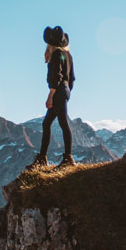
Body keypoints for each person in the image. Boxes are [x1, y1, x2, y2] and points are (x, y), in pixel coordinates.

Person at [28, 25, 76, 169]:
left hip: (58, 91)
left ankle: (67, 158)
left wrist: (51, 95)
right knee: (47, 123)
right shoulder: (68, 55)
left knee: (62, 123)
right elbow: (72, 77)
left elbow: (57, 76)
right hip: (65, 90)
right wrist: (67, 92)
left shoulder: (56, 55)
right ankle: (43, 157)